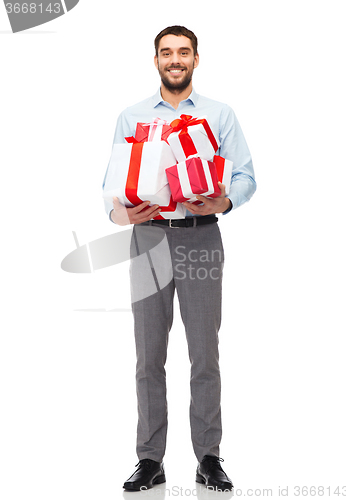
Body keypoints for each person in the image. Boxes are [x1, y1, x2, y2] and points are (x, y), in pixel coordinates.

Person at [103, 25, 256, 492]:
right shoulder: (132, 118)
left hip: (201, 237)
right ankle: (150, 459)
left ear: (195, 59)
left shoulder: (219, 115)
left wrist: (223, 204)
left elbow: (247, 177)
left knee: (203, 354)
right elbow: (110, 188)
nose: (175, 59)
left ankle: (208, 457)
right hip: (148, 238)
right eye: (166, 52)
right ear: (155, 61)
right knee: (148, 355)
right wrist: (123, 214)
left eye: (183, 52)